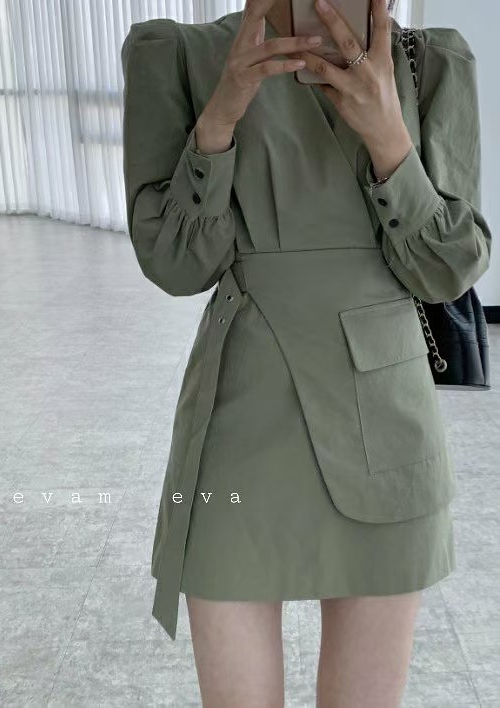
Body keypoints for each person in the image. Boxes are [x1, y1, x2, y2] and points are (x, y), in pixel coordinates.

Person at [120, 0, 491, 705]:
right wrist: (220, 120)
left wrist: (388, 137)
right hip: (240, 417)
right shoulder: (177, 54)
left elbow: (448, 269)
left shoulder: (432, 61)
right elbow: (174, 264)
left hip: (386, 424)